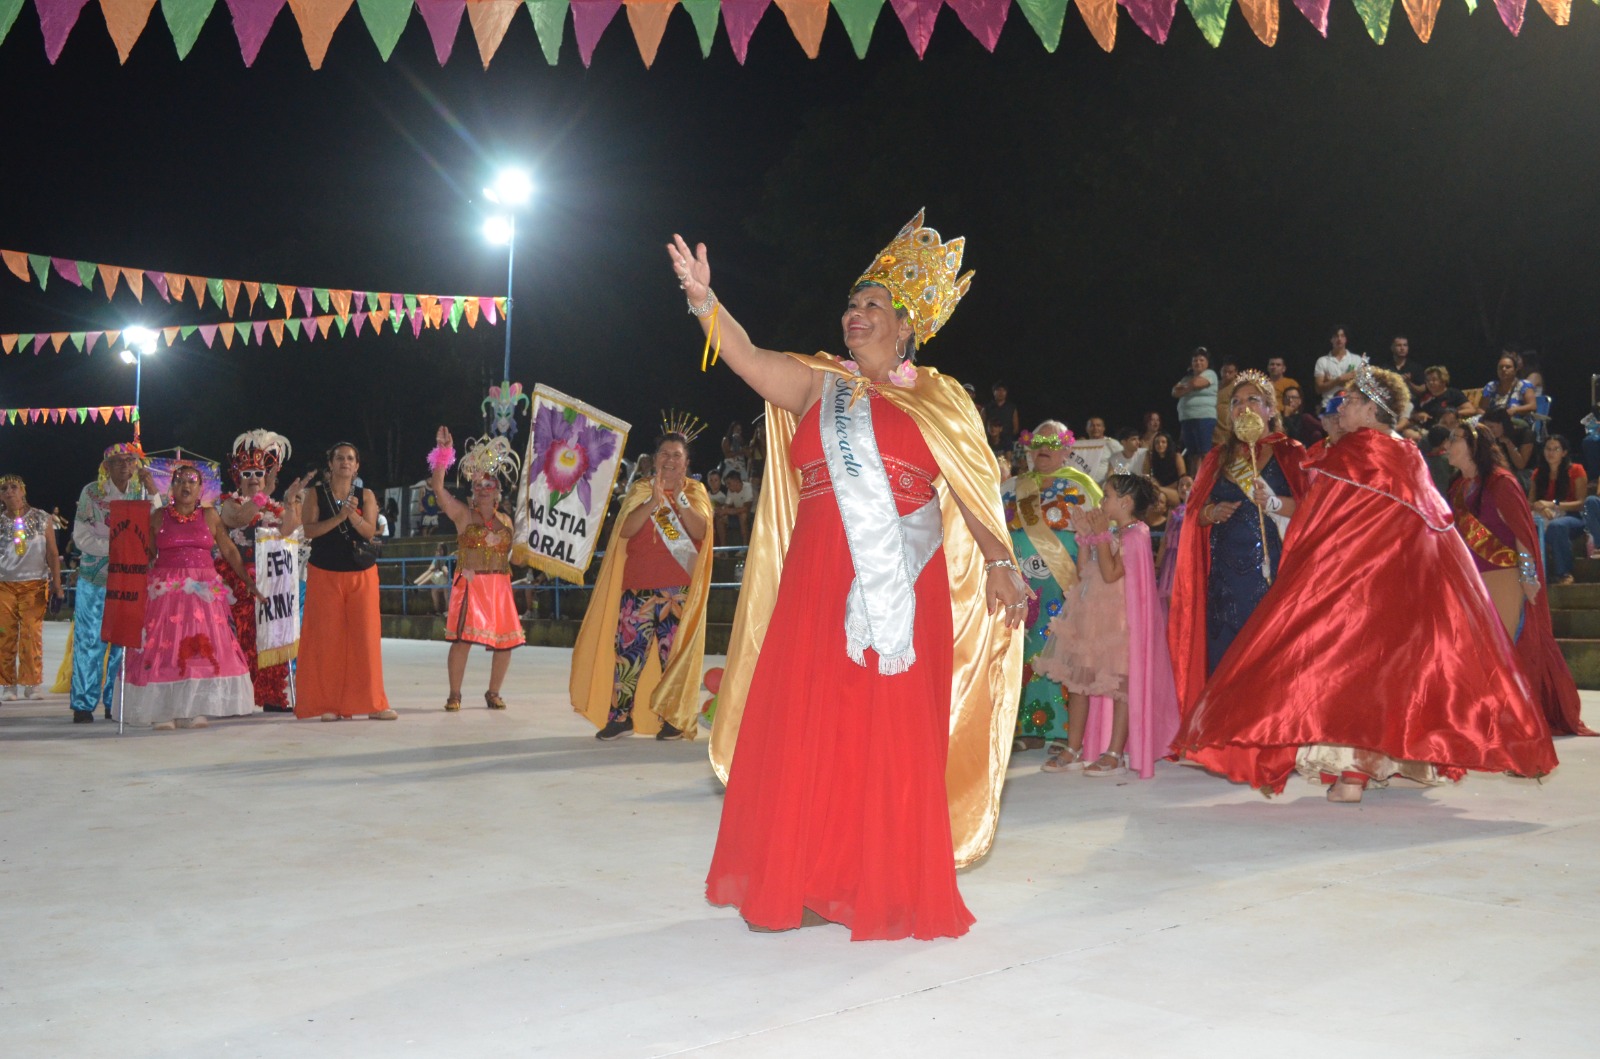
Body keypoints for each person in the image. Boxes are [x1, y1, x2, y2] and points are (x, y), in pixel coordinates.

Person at [670, 211, 1027, 940]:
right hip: (816, 582)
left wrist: (999, 560)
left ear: (905, 327)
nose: (854, 313)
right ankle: (802, 880)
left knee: (883, 736)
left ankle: (877, 884)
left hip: (898, 589)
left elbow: (971, 488)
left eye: (872, 305)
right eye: (851, 303)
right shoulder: (818, 385)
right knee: (809, 729)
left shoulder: (941, 398)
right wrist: (706, 302)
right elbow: (747, 356)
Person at [1173, 365, 1558, 802]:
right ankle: (1391, 766)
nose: (1343, 407)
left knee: (1348, 675)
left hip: (1358, 589)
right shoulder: (1408, 453)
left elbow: (1318, 521)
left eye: (1352, 401)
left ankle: (1352, 776)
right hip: (1409, 592)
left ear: (1373, 409)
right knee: (1393, 679)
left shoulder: (1353, 453)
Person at [1169, 371, 1308, 717]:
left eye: (1252, 400)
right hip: (1225, 575)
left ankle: (1266, 722)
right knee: (1225, 649)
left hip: (1273, 570)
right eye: (1236, 402)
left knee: (1267, 650)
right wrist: (1211, 512)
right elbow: (1195, 513)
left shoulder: (1291, 453)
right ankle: (1222, 724)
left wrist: (1273, 502)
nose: (1243, 407)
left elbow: (1311, 509)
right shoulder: (1218, 457)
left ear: (1270, 409)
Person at [570, 421, 714, 741]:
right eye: (664, 454)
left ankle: (673, 719)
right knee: (628, 656)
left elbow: (701, 531)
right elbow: (624, 530)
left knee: (673, 657)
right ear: (655, 458)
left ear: (686, 463)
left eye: (677, 455)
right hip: (637, 588)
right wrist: (653, 503)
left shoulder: (695, 492)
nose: (670, 460)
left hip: (678, 589)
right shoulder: (640, 490)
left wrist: (679, 499)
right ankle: (620, 718)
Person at [1447, 425, 1591, 737]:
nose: (1447, 445)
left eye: (1455, 439)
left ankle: (1512, 718)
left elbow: (1522, 533)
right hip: (1470, 580)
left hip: (1503, 576)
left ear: (1474, 446)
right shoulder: (1458, 487)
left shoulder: (1501, 482)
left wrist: (1527, 575)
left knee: (1502, 649)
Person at [1034, 475, 1179, 778]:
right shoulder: (1116, 532)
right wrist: (1086, 536)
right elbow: (1085, 570)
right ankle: (1074, 747)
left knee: (1119, 686)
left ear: (1125, 502)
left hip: (1119, 622)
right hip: (1093, 616)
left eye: (1107, 496)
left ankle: (1114, 752)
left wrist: (1100, 536)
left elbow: (1112, 573)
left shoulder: (1137, 534)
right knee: (1080, 681)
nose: (1101, 502)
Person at [122, 462, 262, 730]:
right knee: (165, 649)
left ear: (200, 489)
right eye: (180, 481)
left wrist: (248, 581)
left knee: (199, 650)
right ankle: (163, 710)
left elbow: (229, 550)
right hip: (166, 593)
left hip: (203, 593)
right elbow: (147, 553)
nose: (186, 485)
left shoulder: (210, 515)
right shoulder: (158, 516)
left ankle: (192, 708)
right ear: (172, 487)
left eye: (191, 481)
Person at [1000, 422, 1101, 755]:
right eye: (1038, 441)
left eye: (1052, 442)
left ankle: (1064, 729)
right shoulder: (1011, 486)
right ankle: (1029, 727)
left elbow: (1101, 534)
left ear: (1067, 450)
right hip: (1020, 588)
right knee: (1024, 652)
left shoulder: (1083, 487)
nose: (1044, 447)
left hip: (1064, 588)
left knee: (1063, 653)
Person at [424, 429, 525, 710]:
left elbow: (516, 560)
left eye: (488, 483)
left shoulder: (507, 521)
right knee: (462, 641)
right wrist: (444, 453)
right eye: (478, 484)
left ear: (498, 489)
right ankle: (454, 694)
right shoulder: (463, 514)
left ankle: (493, 692)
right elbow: (438, 489)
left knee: (505, 643)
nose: (483, 488)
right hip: (471, 585)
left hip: (500, 587)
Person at [294, 442, 394, 722]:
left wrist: (352, 517)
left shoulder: (366, 495)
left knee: (366, 639)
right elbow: (309, 530)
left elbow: (370, 531)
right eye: (339, 458)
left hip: (361, 574)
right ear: (331, 463)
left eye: (350, 458)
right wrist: (339, 517)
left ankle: (373, 703)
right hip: (325, 573)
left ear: (357, 465)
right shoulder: (315, 494)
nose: (345, 462)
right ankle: (330, 704)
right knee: (328, 640)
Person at [216, 430, 307, 714]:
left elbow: (290, 530)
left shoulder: (273, 507)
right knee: (240, 641)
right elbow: (238, 519)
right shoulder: (229, 503)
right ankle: (238, 698)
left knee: (272, 640)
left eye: (259, 473)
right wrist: (263, 495)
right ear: (238, 478)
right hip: (238, 581)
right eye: (247, 474)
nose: (254, 478)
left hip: (271, 584)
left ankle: (271, 695)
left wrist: (290, 502)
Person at [69, 442, 159, 723]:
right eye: (118, 461)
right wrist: (118, 548)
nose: (124, 465)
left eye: (129, 460)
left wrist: (154, 491)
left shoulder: (141, 492)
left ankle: (115, 701)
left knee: (125, 642)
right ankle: (84, 703)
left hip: (130, 580)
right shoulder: (91, 493)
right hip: (95, 577)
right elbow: (81, 536)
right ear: (106, 466)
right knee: (90, 640)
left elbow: (159, 525)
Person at [0, 475, 63, 699]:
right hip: (3, 585)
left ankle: (32, 682)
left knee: (31, 633)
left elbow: (52, 553)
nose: (9, 491)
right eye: (4, 489)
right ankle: (8, 685)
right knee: (5, 634)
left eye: (14, 487)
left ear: (23, 490)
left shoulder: (42, 517)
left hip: (35, 583)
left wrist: (57, 585)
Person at [1530, 435, 1592, 585]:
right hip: (1544, 516)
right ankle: (1535, 574)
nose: (1551, 453)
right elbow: (1530, 501)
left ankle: (1563, 573)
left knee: (1557, 526)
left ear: (1564, 452)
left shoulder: (1576, 470)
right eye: (1548, 449)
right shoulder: (1538, 473)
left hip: (1573, 517)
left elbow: (1580, 503)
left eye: (1556, 449)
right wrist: (1541, 508)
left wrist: (1552, 504)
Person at [1171, 348, 1217, 458]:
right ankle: (1196, 471)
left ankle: (1208, 470)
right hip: (1187, 419)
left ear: (1207, 362)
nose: (1198, 363)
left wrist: (1184, 387)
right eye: (1195, 360)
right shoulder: (1187, 378)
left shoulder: (1210, 374)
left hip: (1203, 417)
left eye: (1201, 360)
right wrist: (1188, 386)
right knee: (1193, 454)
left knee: (1205, 452)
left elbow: (1196, 383)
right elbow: (1175, 392)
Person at [1409, 366, 1473, 432]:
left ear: (1443, 381)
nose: (1430, 382)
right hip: (1426, 430)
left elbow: (1471, 410)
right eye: (1428, 380)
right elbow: (1411, 413)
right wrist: (1417, 415)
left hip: (1448, 430)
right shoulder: (1424, 396)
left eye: (1434, 380)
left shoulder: (1453, 394)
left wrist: (1453, 414)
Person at [1481, 408, 1535, 485]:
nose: (1489, 430)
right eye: (1487, 427)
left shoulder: (1525, 434)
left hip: (1525, 475)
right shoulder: (1491, 438)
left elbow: (1520, 465)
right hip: (1504, 473)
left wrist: (1508, 443)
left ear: (1503, 424)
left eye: (1491, 427)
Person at [1479, 352, 1538, 422]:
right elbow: (1482, 409)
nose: (1503, 369)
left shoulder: (1524, 385)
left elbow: (1532, 406)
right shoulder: (1491, 386)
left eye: (1508, 367)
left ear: (1515, 370)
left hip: (1517, 422)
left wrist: (1515, 410)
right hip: (1494, 422)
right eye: (1500, 367)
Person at [1313, 326, 1361, 397]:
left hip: (1350, 402)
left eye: (1342, 336)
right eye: (1336, 336)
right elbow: (1318, 389)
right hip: (1329, 402)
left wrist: (1330, 382)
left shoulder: (1356, 359)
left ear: (1346, 339)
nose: (1339, 339)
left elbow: (1361, 385)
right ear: (1331, 339)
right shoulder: (1322, 361)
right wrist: (1338, 380)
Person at [1146, 431, 1186, 507]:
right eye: (1157, 443)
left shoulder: (1176, 457)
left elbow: (1182, 479)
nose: (1160, 445)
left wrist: (1161, 489)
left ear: (1168, 444)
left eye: (1163, 442)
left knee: (1155, 493)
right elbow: (1146, 475)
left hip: (1176, 491)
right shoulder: (1152, 459)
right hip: (1159, 490)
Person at [982, 382, 1021, 456]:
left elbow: (1016, 428)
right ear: (994, 392)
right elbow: (981, 425)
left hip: (1006, 444)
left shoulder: (1011, 407)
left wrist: (1007, 438)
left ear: (1006, 392)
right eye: (998, 390)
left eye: (1003, 390)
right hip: (990, 442)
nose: (1001, 392)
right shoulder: (987, 408)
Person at [718, 469, 754, 545]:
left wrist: (728, 511)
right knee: (720, 519)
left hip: (751, 515)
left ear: (737, 481)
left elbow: (746, 508)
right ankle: (723, 547)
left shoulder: (748, 487)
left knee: (743, 515)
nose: (727, 486)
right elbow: (726, 505)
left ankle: (745, 546)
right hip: (736, 515)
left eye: (729, 483)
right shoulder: (730, 491)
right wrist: (721, 510)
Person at [1210, 359, 1240, 449]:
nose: (1226, 374)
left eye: (1230, 372)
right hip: (1213, 428)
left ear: (1236, 372)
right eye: (1224, 371)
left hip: (1227, 429)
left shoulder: (1238, 387)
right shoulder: (1215, 385)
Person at [413, 543, 451, 612]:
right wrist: (437, 560)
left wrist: (438, 564)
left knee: (432, 575)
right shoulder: (436, 558)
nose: (439, 552)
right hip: (439, 580)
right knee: (433, 587)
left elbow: (445, 572)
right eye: (438, 550)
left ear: (444, 550)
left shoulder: (447, 559)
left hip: (446, 580)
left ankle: (417, 586)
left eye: (440, 550)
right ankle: (437, 610)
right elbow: (430, 569)